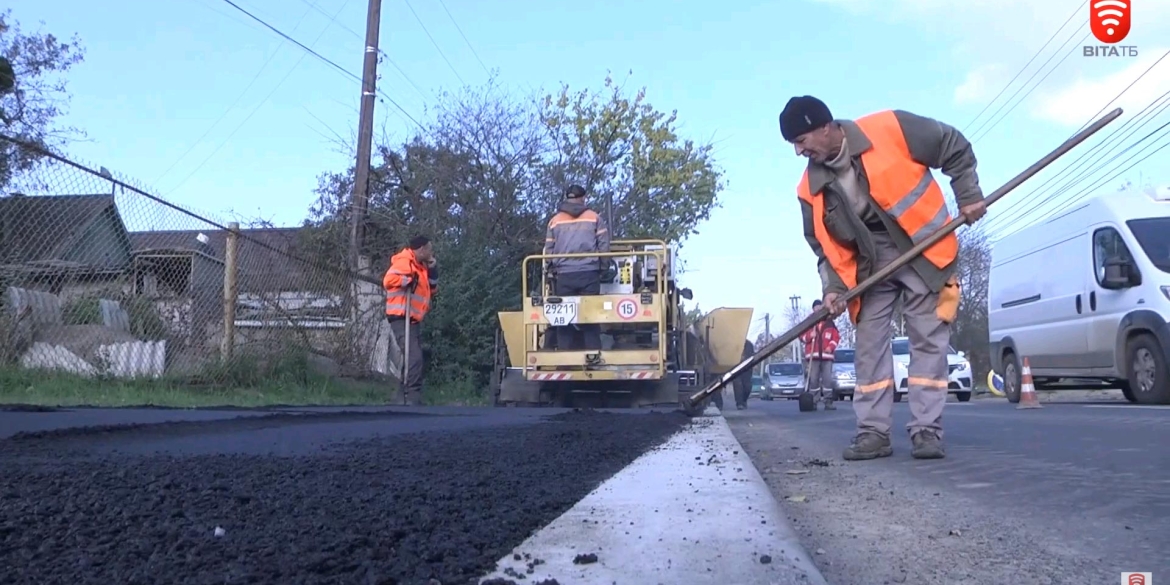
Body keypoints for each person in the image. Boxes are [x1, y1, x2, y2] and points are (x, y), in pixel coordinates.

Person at [779, 95, 987, 461]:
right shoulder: (808, 189)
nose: (798, 152)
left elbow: (953, 144)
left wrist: (968, 195)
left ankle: (927, 431)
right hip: (868, 264)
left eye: (801, 141)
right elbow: (822, 247)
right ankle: (873, 433)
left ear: (825, 127)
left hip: (924, 248)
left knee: (928, 340)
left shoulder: (891, 129)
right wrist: (832, 288)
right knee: (869, 346)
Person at [542, 184, 610, 350]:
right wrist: (603, 267)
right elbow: (603, 245)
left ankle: (565, 356)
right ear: (583, 198)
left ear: (567, 198)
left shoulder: (555, 221)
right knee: (590, 317)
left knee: (563, 319)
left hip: (564, 275)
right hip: (589, 273)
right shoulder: (594, 218)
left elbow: (548, 248)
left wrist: (549, 268)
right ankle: (594, 355)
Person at [383, 235, 436, 406]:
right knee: (414, 357)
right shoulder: (405, 262)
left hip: (413, 319)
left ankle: (401, 396)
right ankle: (412, 396)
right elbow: (388, 281)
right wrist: (408, 279)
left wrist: (433, 269)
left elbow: (432, 289)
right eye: (429, 248)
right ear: (421, 250)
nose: (431, 252)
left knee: (413, 356)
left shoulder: (421, 266)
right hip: (400, 316)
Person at [799, 300, 840, 411]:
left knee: (827, 379)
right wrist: (809, 336)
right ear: (813, 309)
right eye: (816, 307)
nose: (818, 309)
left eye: (819, 307)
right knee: (814, 380)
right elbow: (801, 336)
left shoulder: (829, 322)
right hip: (813, 356)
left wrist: (830, 347)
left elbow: (836, 337)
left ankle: (828, 402)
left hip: (827, 357)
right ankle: (814, 401)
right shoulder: (809, 322)